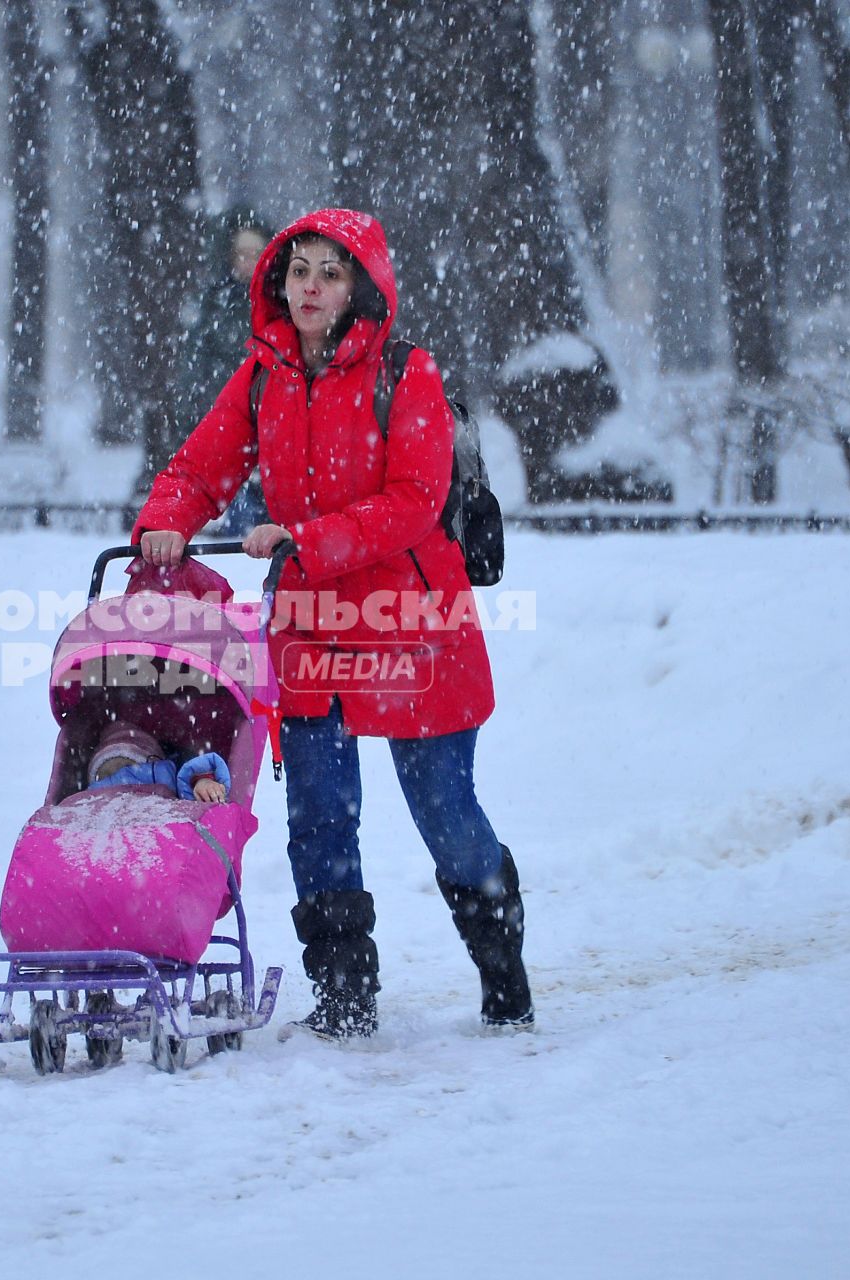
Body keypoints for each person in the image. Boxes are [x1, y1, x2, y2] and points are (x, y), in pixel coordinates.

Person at [132, 208, 533, 1039]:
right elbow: (199, 469)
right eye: (298, 270)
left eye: (329, 273)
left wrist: (306, 539)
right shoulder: (262, 375)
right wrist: (166, 518)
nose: (308, 287)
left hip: (411, 620)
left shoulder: (406, 374)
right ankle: (344, 998)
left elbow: (416, 504)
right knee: (318, 815)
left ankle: (503, 975)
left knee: (446, 816)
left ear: (361, 289)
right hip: (312, 624)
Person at [166, 209, 274, 531]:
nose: (248, 261)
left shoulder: (284, 300)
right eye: (242, 253)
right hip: (232, 426)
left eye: (255, 253)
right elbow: (196, 366)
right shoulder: (216, 303)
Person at [85, 719, 230, 804]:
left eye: (127, 767)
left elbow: (189, 777)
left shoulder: (166, 778)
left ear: (150, 762)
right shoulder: (92, 798)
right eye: (105, 774)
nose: (120, 777)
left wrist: (202, 783)